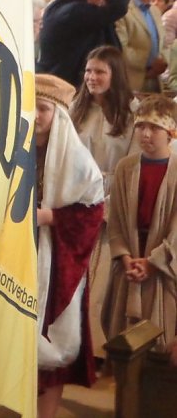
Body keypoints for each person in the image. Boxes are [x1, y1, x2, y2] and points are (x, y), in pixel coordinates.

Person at [34, 74, 104, 418]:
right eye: (29, 107)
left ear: (58, 114)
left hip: (55, 260)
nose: (34, 115)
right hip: (15, 258)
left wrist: (51, 218)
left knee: (50, 349)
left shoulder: (76, 160)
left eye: (43, 108)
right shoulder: (12, 149)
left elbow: (92, 211)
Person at [69, 46, 137, 358]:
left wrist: (108, 203)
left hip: (112, 198)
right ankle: (71, 343)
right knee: (73, 274)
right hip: (75, 196)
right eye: (88, 71)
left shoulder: (130, 112)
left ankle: (95, 348)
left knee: (100, 279)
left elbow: (133, 162)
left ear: (115, 75)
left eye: (100, 72)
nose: (92, 78)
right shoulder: (76, 106)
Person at [102, 95, 177, 355]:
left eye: (154, 128)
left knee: (158, 340)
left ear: (171, 132)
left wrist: (153, 261)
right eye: (141, 127)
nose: (146, 134)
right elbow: (117, 221)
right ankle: (125, 386)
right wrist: (125, 257)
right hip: (131, 258)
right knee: (124, 338)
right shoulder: (125, 168)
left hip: (160, 264)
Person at [37, 0, 131, 86]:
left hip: (60, 79)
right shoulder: (75, 12)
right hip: (65, 84)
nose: (102, 3)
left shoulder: (59, 6)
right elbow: (119, 6)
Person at [115, 0, 167, 92]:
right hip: (133, 79)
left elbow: (164, 42)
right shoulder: (124, 11)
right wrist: (148, 63)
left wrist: (162, 62)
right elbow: (122, 47)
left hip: (156, 79)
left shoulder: (155, 11)